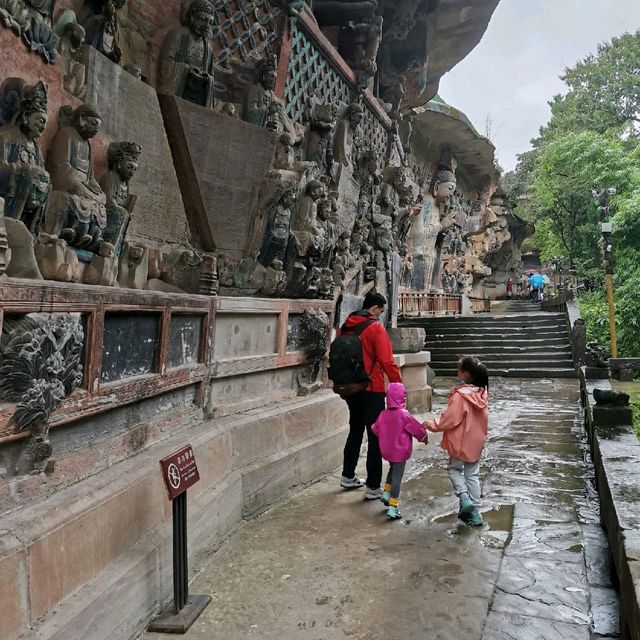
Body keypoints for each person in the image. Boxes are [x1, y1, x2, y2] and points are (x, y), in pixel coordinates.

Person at [339, 291, 402, 499]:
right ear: (374, 308)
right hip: (371, 388)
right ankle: (373, 486)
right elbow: (386, 361)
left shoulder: (346, 326)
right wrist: (398, 384)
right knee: (375, 436)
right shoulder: (375, 327)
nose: (381, 315)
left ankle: (348, 475)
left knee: (355, 430)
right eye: (381, 311)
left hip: (350, 388)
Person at [424, 356, 489, 526]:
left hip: (461, 441)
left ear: (466, 374)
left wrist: (431, 425)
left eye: (459, 369)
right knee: (472, 475)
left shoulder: (461, 396)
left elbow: (450, 419)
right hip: (476, 441)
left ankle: (464, 499)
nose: (457, 371)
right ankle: (475, 513)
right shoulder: (481, 393)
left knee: (454, 470)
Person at [371, 382, 428, 519]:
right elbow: (417, 430)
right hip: (400, 452)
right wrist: (424, 437)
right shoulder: (404, 415)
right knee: (397, 477)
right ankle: (393, 506)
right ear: (402, 397)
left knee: (392, 470)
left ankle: (386, 493)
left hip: (387, 451)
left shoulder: (383, 414)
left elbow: (375, 429)